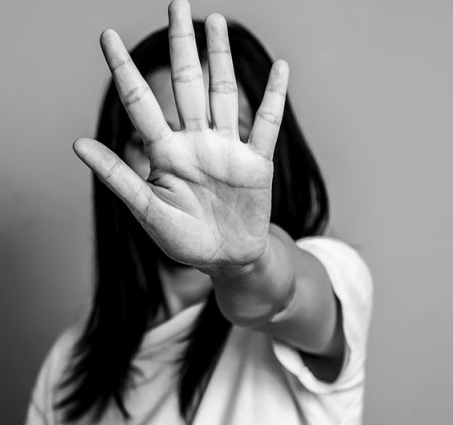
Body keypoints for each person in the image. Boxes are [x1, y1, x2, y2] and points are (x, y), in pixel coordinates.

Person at [25, 1, 372, 424]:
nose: (192, 169)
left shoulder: (333, 272)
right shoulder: (68, 363)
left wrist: (241, 265)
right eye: (156, 141)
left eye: (231, 141)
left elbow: (283, 295)